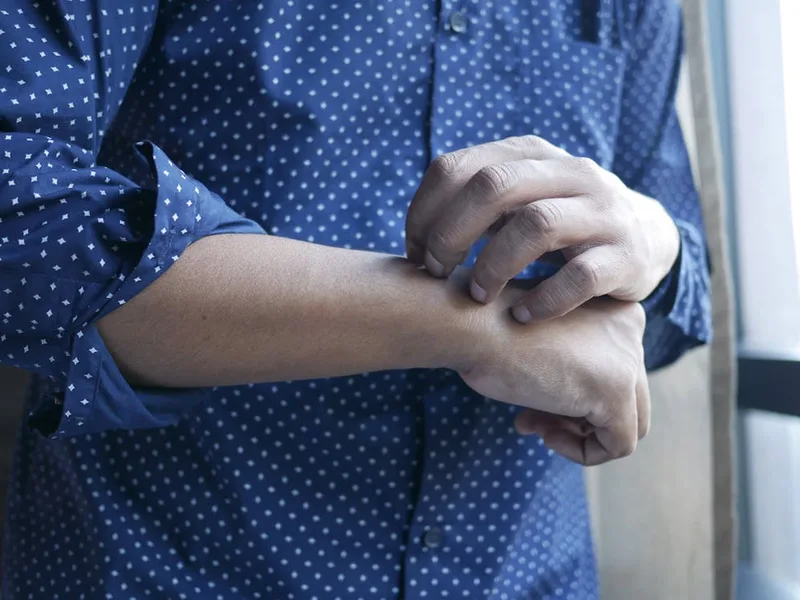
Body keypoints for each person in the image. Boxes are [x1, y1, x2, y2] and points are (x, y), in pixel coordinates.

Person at [0, 1, 710, 598]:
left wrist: (653, 245)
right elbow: (19, 223)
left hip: (527, 576)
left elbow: (671, 312)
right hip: (172, 571)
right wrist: (478, 327)